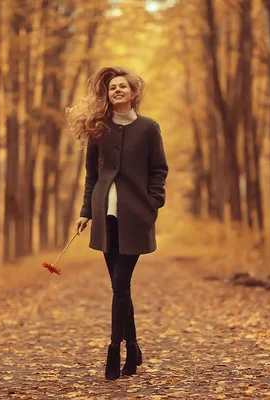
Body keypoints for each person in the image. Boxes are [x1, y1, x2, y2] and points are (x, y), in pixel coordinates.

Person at [66, 66, 168, 380]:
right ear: (108, 96)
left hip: (135, 217)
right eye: (112, 88)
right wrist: (86, 211)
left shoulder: (149, 128)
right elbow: (92, 176)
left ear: (133, 94)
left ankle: (115, 349)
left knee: (121, 285)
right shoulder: (100, 129)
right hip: (104, 216)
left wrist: (152, 204)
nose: (117, 91)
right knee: (119, 287)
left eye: (123, 87)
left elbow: (159, 171)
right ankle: (134, 346)